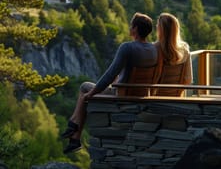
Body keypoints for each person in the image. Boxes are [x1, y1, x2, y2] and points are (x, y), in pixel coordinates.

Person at [61, 12, 157, 154]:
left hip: (122, 93)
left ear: (135, 29)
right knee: (88, 92)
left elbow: (110, 75)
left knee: (84, 87)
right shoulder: (153, 49)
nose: (130, 28)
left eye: (131, 25)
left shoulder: (127, 47)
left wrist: (92, 93)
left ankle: (74, 130)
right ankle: (74, 129)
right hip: (141, 93)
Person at [155, 12, 193, 85]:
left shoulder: (154, 49)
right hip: (176, 95)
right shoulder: (184, 49)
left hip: (155, 95)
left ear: (160, 30)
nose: (156, 26)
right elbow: (188, 79)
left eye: (158, 25)